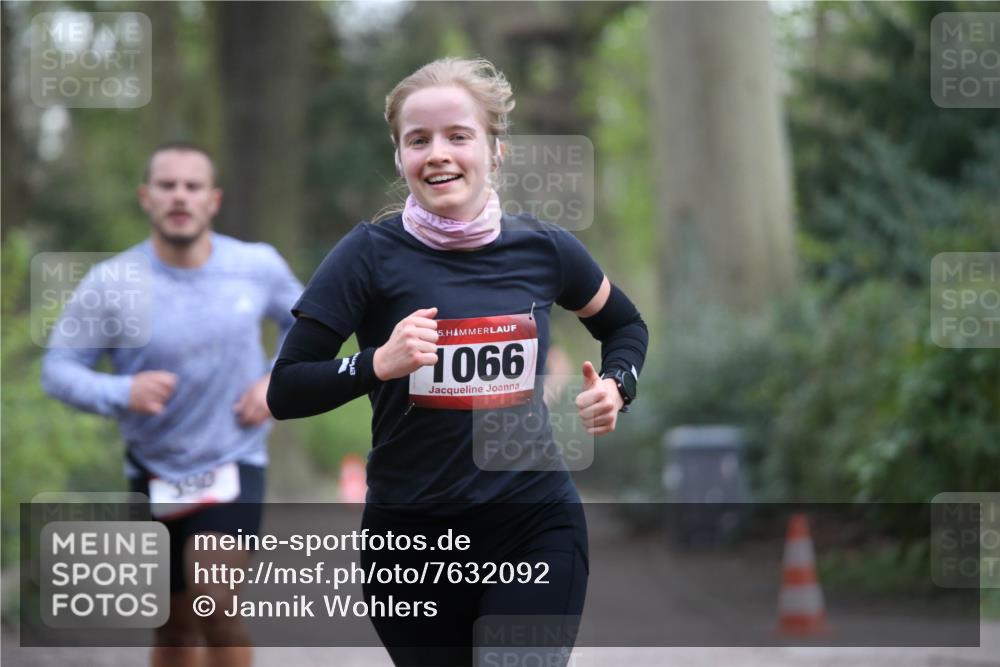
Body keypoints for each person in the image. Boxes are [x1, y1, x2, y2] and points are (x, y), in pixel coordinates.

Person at [267, 57, 648, 666]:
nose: (438, 152)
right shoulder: (366, 256)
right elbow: (285, 391)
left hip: (532, 523)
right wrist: (377, 363)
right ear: (399, 158)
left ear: (496, 151)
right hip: (412, 540)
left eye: (458, 136)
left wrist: (617, 384)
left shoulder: (545, 249)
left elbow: (624, 325)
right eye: (418, 140)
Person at [41, 141, 303, 667]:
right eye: (167, 185)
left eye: (192, 186)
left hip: (233, 458)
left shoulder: (256, 265)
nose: (179, 196)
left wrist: (275, 384)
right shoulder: (112, 283)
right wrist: (121, 392)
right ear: (146, 197)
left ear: (213, 200)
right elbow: (59, 369)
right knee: (173, 627)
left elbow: (308, 324)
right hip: (153, 469)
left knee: (215, 601)